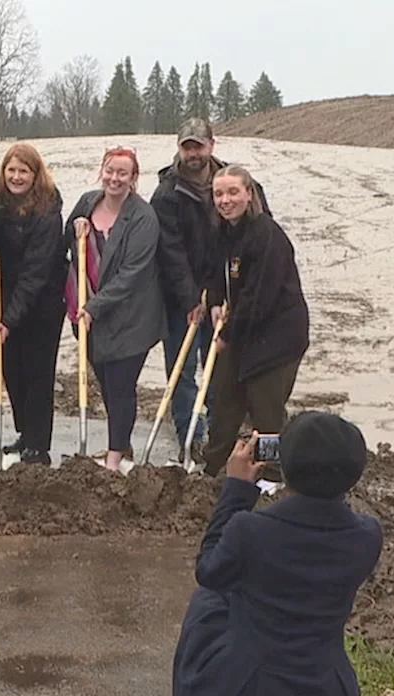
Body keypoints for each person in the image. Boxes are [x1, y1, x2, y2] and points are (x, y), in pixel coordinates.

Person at [172, 413, 384, 696]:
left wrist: (237, 490)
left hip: (251, 687)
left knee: (208, 602)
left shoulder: (251, 529)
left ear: (284, 467)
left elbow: (210, 573)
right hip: (327, 688)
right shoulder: (368, 535)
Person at [150, 118, 271, 460]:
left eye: (198, 146)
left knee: (222, 368)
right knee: (182, 370)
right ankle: (191, 435)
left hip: (225, 295)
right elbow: (169, 250)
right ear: (179, 148)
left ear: (211, 145)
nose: (193, 153)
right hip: (180, 297)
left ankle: (223, 436)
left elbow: (252, 239)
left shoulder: (235, 183)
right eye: (187, 147)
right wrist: (191, 298)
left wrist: (221, 294)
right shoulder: (167, 193)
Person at [201, 164, 309, 477]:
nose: (225, 200)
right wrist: (214, 302)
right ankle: (212, 466)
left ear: (249, 194)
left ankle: (270, 474)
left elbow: (257, 297)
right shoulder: (223, 231)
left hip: (277, 337)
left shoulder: (266, 235)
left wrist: (227, 335)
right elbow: (215, 273)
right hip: (242, 330)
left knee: (267, 412)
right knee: (223, 399)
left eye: (233, 192)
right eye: (218, 193)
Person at [64, 146, 165, 472]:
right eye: (110, 170)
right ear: (102, 170)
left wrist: (94, 307)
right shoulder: (87, 201)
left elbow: (131, 275)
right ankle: (120, 446)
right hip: (89, 318)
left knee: (121, 385)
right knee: (106, 382)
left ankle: (114, 458)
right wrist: (77, 226)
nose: (115, 178)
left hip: (131, 317)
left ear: (134, 178)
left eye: (123, 173)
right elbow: (67, 238)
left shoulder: (143, 217)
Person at [0, 143, 66, 465]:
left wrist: (10, 319)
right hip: (9, 299)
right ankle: (25, 433)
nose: (17, 177)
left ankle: (39, 444)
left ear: (35, 175)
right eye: (12, 170)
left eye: (24, 171)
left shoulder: (48, 212)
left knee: (37, 373)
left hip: (43, 302)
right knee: (11, 369)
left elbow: (36, 272)